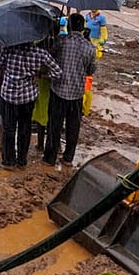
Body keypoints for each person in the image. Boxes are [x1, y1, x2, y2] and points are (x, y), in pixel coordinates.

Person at [0, 41, 61, 169]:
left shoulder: (8, 50)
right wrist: (42, 74)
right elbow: (57, 72)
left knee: (9, 129)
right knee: (25, 128)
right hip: (28, 97)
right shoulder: (40, 53)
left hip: (9, 96)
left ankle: (8, 161)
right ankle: (22, 161)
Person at [44, 14, 97, 166]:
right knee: (73, 128)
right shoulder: (89, 48)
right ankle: (68, 158)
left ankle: (50, 158)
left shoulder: (61, 42)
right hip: (77, 93)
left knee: (54, 126)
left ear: (70, 26)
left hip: (58, 89)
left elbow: (49, 57)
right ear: (82, 28)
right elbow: (90, 70)